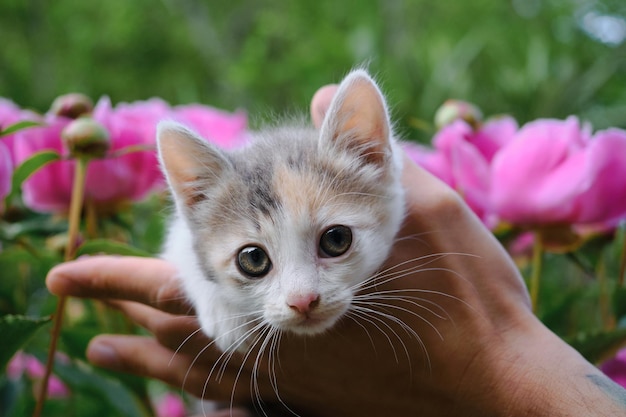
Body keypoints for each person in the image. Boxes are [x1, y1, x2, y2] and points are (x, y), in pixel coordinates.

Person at [46, 84, 626, 417]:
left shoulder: (387, 200)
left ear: (379, 166)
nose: (301, 296)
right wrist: (209, 296)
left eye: (334, 241)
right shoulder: (208, 217)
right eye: (255, 261)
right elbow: (183, 245)